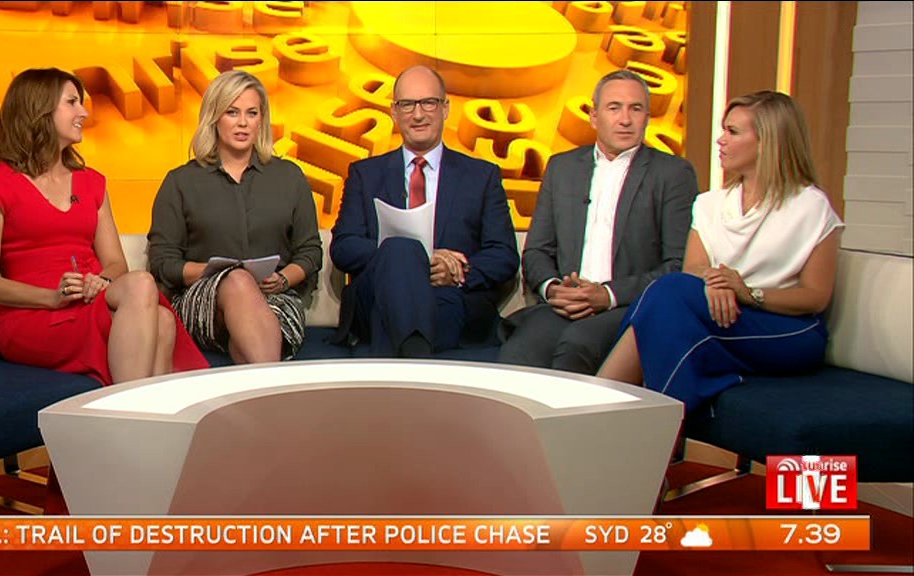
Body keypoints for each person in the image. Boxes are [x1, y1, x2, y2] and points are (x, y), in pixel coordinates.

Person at [597, 90, 844, 412]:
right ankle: (656, 421)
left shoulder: (811, 206)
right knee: (670, 298)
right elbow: (694, 270)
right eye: (723, 129)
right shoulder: (710, 204)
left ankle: (600, 408)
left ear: (767, 142)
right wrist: (716, 282)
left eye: (733, 132)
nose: (721, 140)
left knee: (666, 298)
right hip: (723, 315)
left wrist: (747, 293)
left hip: (787, 329)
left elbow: (815, 297)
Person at [0, 68, 208, 385]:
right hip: (32, 315)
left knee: (159, 313)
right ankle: (133, 406)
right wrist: (51, 297)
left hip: (90, 302)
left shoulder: (92, 182)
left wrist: (101, 281)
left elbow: (115, 263)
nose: (83, 112)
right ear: (39, 109)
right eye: (72, 103)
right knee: (148, 299)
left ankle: (131, 410)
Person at [498, 69, 699, 374]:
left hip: (627, 306)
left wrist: (608, 294)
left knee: (576, 346)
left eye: (636, 109)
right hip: (564, 303)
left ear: (647, 117)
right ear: (594, 117)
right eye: (614, 108)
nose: (625, 119)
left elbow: (678, 265)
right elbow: (537, 250)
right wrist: (553, 288)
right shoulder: (562, 167)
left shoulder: (673, 174)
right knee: (518, 352)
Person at [329, 65, 519, 357]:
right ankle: (416, 359)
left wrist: (457, 273)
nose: (418, 115)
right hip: (377, 294)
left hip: (451, 297)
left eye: (428, 103)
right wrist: (415, 258)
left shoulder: (481, 176)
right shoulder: (365, 174)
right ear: (394, 112)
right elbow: (344, 247)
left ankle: (404, 359)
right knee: (400, 249)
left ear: (445, 108)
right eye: (407, 104)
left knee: (431, 306)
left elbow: (504, 256)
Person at [148, 70, 322, 364]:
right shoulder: (181, 181)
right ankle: (272, 383)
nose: (243, 122)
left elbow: (310, 252)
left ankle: (260, 380)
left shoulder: (289, 176)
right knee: (238, 281)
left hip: (275, 298)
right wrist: (219, 274)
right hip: (203, 301)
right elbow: (163, 262)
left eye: (252, 113)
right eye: (232, 112)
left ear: (261, 119)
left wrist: (282, 279)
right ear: (214, 117)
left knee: (250, 337)